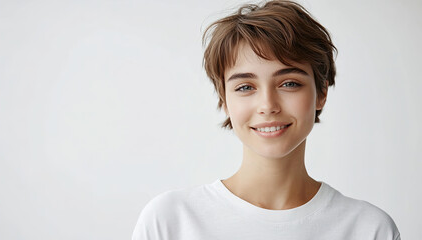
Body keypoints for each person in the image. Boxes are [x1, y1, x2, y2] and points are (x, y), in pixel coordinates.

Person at [132, 1, 401, 239]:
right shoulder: (170, 222)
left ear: (321, 93)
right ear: (224, 101)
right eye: (245, 87)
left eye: (289, 83)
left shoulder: (369, 229)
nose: (268, 106)